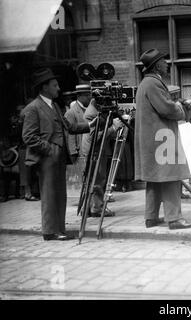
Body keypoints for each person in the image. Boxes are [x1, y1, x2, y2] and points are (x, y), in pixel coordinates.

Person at [22, 68, 93, 241]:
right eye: (55, 85)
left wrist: (93, 125)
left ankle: (59, 229)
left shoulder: (53, 105)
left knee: (60, 194)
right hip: (47, 158)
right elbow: (28, 137)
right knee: (49, 193)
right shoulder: (33, 108)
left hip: (59, 158)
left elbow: (70, 127)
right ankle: (50, 231)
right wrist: (50, 149)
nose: (58, 88)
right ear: (45, 87)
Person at [134, 48, 191, 230]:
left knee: (154, 179)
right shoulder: (154, 84)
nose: (167, 64)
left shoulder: (146, 83)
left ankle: (151, 217)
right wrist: (180, 106)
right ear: (156, 66)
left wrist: (175, 104)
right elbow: (167, 109)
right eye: (164, 61)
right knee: (172, 176)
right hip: (162, 138)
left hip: (152, 139)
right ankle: (174, 218)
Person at [83, 97, 122, 217]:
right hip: (94, 150)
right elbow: (96, 135)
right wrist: (114, 127)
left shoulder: (94, 110)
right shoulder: (92, 113)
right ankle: (97, 207)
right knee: (97, 179)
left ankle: (91, 207)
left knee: (95, 179)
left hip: (97, 149)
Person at [64, 85, 91, 164]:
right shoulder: (71, 112)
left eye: (90, 95)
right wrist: (73, 153)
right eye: (86, 95)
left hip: (90, 150)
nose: (89, 97)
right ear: (79, 96)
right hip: (80, 153)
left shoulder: (90, 109)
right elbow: (70, 135)